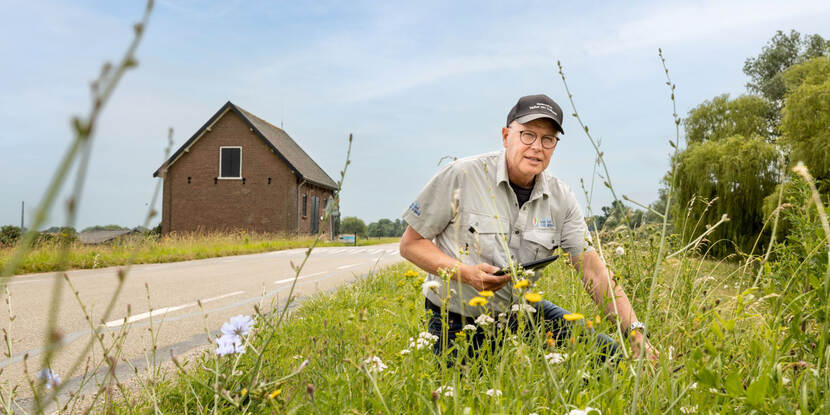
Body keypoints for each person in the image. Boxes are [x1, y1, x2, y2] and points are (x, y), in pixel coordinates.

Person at [399, 94, 657, 363]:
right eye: (527, 135)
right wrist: (466, 274)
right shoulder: (461, 175)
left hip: (520, 313)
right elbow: (411, 244)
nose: (537, 147)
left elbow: (593, 271)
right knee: (473, 398)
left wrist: (636, 334)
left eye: (548, 139)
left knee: (610, 358)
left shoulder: (561, 199)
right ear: (505, 135)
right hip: (455, 319)